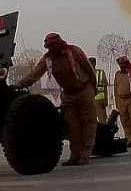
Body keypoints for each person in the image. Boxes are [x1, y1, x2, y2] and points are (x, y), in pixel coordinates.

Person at [14, 32, 98, 166]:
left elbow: (89, 70)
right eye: (49, 47)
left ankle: (85, 155)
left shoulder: (74, 51)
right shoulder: (47, 59)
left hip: (84, 90)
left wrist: (93, 88)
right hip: (68, 94)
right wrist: (18, 85)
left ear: (59, 44)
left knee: (88, 123)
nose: (51, 49)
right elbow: (34, 75)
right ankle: (74, 154)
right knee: (71, 125)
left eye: (53, 46)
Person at [89, 57, 108, 123]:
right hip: (90, 100)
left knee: (102, 120)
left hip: (99, 99)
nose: (91, 64)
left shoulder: (100, 73)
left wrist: (105, 99)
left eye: (92, 63)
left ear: (95, 63)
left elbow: (105, 86)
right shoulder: (85, 73)